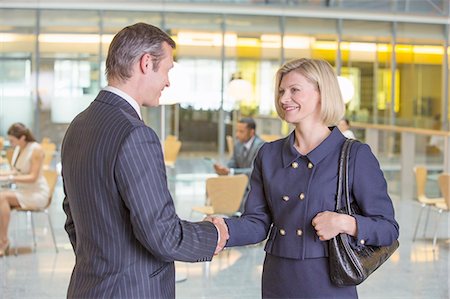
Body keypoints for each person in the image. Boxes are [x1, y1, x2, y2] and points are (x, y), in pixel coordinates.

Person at [61, 23, 228, 298]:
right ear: (146, 63)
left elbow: (73, 217)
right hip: (131, 290)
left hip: (86, 287)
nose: (167, 81)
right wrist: (213, 234)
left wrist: (102, 262)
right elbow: (162, 235)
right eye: (167, 70)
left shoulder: (79, 125)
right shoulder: (135, 133)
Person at [211, 58, 399, 298]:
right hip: (277, 279)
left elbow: (388, 229)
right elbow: (257, 223)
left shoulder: (354, 155)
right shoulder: (268, 154)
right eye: (281, 91)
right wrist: (223, 229)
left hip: (328, 283)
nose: (283, 99)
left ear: (322, 93)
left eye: (294, 90)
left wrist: (344, 223)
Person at [0, 123, 50, 256]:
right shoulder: (19, 149)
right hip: (24, 191)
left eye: (12, 140)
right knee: (1, 198)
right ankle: (3, 239)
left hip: (37, 193)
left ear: (22, 137)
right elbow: (15, 171)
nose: (10, 143)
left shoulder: (36, 150)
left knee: (2, 197)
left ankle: (3, 241)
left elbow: (33, 177)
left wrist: (10, 178)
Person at [214, 117, 264, 213]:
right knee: (217, 188)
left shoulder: (261, 147)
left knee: (238, 198)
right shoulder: (238, 144)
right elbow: (233, 162)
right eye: (237, 131)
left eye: (241, 131)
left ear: (252, 132)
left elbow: (254, 171)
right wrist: (224, 169)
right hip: (239, 182)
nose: (237, 135)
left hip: (253, 186)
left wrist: (231, 172)